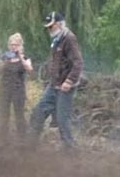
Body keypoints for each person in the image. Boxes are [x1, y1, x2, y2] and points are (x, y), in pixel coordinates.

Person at [28, 11, 83, 149]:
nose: (48, 29)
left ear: (58, 24)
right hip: (54, 85)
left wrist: (69, 81)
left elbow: (78, 63)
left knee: (62, 119)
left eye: (50, 26)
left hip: (65, 87)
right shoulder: (57, 40)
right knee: (38, 112)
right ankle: (30, 145)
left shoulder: (69, 38)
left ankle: (70, 149)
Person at [0, 33, 32, 141]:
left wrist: (20, 57)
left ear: (20, 45)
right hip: (5, 89)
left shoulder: (25, 58)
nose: (13, 47)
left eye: (16, 45)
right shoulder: (4, 57)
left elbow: (30, 70)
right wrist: (6, 60)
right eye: (12, 45)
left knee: (19, 115)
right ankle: (3, 139)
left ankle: (22, 139)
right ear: (8, 45)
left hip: (18, 90)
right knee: (4, 115)